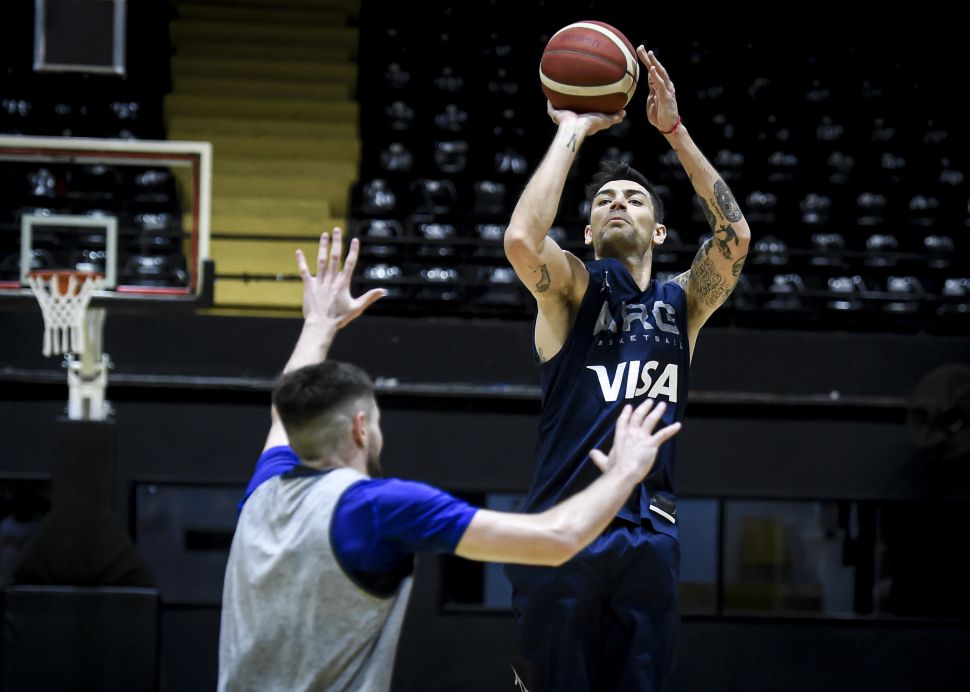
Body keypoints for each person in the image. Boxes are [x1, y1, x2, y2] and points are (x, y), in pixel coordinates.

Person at [217, 228, 682, 692]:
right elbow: (558, 540)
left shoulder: (266, 488)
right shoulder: (380, 507)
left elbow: (284, 412)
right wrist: (624, 473)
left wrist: (319, 324)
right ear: (360, 428)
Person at [501, 47, 752, 691]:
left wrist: (675, 131)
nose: (618, 204)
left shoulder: (684, 302)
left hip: (650, 535)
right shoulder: (570, 291)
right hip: (566, 527)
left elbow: (736, 238)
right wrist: (572, 128)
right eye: (604, 200)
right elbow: (522, 241)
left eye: (635, 199)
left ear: (659, 231)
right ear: (586, 232)